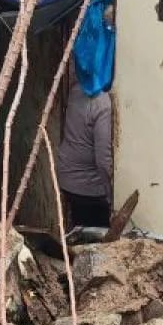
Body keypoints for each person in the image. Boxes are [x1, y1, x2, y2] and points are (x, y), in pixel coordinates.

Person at [56, 61, 114, 228]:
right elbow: (103, 161)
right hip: (89, 188)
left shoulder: (77, 90)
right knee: (95, 238)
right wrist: (111, 197)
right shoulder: (102, 103)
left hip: (67, 177)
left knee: (79, 229)